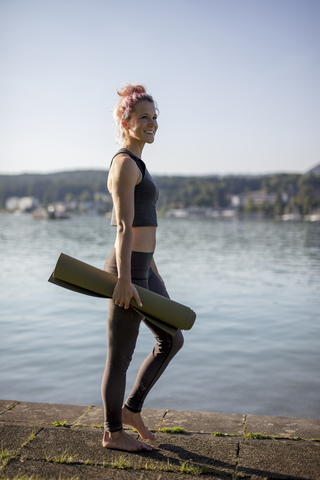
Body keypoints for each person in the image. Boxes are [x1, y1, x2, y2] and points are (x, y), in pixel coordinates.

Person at [101, 84, 184, 452]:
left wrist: (151, 268)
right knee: (120, 357)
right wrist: (123, 280)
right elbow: (122, 226)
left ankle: (132, 409)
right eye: (144, 117)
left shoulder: (138, 163)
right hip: (127, 270)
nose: (152, 123)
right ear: (126, 121)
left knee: (172, 337)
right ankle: (113, 432)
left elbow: (143, 225)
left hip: (143, 267)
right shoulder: (123, 163)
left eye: (155, 117)